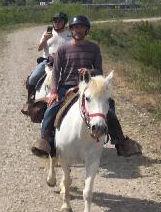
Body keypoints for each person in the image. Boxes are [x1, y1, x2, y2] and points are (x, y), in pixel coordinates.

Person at [31, 16, 143, 158]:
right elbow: (56, 72)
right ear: (71, 30)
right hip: (66, 85)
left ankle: (121, 142)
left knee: (109, 111)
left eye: (81, 27)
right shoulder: (62, 49)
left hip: (89, 86)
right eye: (75, 28)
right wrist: (53, 91)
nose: (78, 30)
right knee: (50, 110)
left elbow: (99, 71)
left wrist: (90, 71)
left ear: (86, 30)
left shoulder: (94, 48)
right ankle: (45, 142)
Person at [25, 11, 71, 102]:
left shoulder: (69, 34)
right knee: (32, 78)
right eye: (55, 21)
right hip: (47, 61)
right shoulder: (47, 33)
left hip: (64, 62)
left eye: (60, 21)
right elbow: (39, 48)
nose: (57, 23)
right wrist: (45, 39)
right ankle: (30, 99)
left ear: (64, 22)